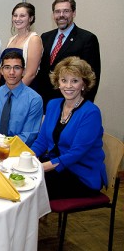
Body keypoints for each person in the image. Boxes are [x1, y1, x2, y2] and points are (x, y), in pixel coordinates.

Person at [31, 57, 106, 200]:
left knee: (30, 188)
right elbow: (41, 142)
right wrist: (26, 157)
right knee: (20, 178)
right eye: (64, 80)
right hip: (56, 167)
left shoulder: (91, 113)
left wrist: (40, 167)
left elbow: (75, 154)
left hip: (81, 174)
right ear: (58, 82)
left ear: (84, 84)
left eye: (75, 81)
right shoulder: (53, 105)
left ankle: (28, 221)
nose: (68, 86)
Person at [36, 0, 100, 108]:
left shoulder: (87, 39)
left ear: (74, 13)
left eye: (66, 11)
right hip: (45, 102)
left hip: (71, 102)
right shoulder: (45, 37)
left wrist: (82, 106)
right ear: (53, 15)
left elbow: (92, 77)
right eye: (57, 11)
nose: (61, 15)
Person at [0, 51, 43, 145]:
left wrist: (3, 145)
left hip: (18, 150)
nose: (12, 72)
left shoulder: (34, 99)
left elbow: (28, 136)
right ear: (1, 71)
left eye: (17, 68)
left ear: (23, 71)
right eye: (7, 67)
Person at [0, 2, 43, 88]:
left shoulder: (34, 39)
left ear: (31, 18)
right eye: (15, 15)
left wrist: (14, 93)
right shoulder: (11, 39)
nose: (17, 19)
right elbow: (1, 69)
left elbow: (30, 74)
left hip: (22, 90)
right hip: (5, 87)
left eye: (22, 16)